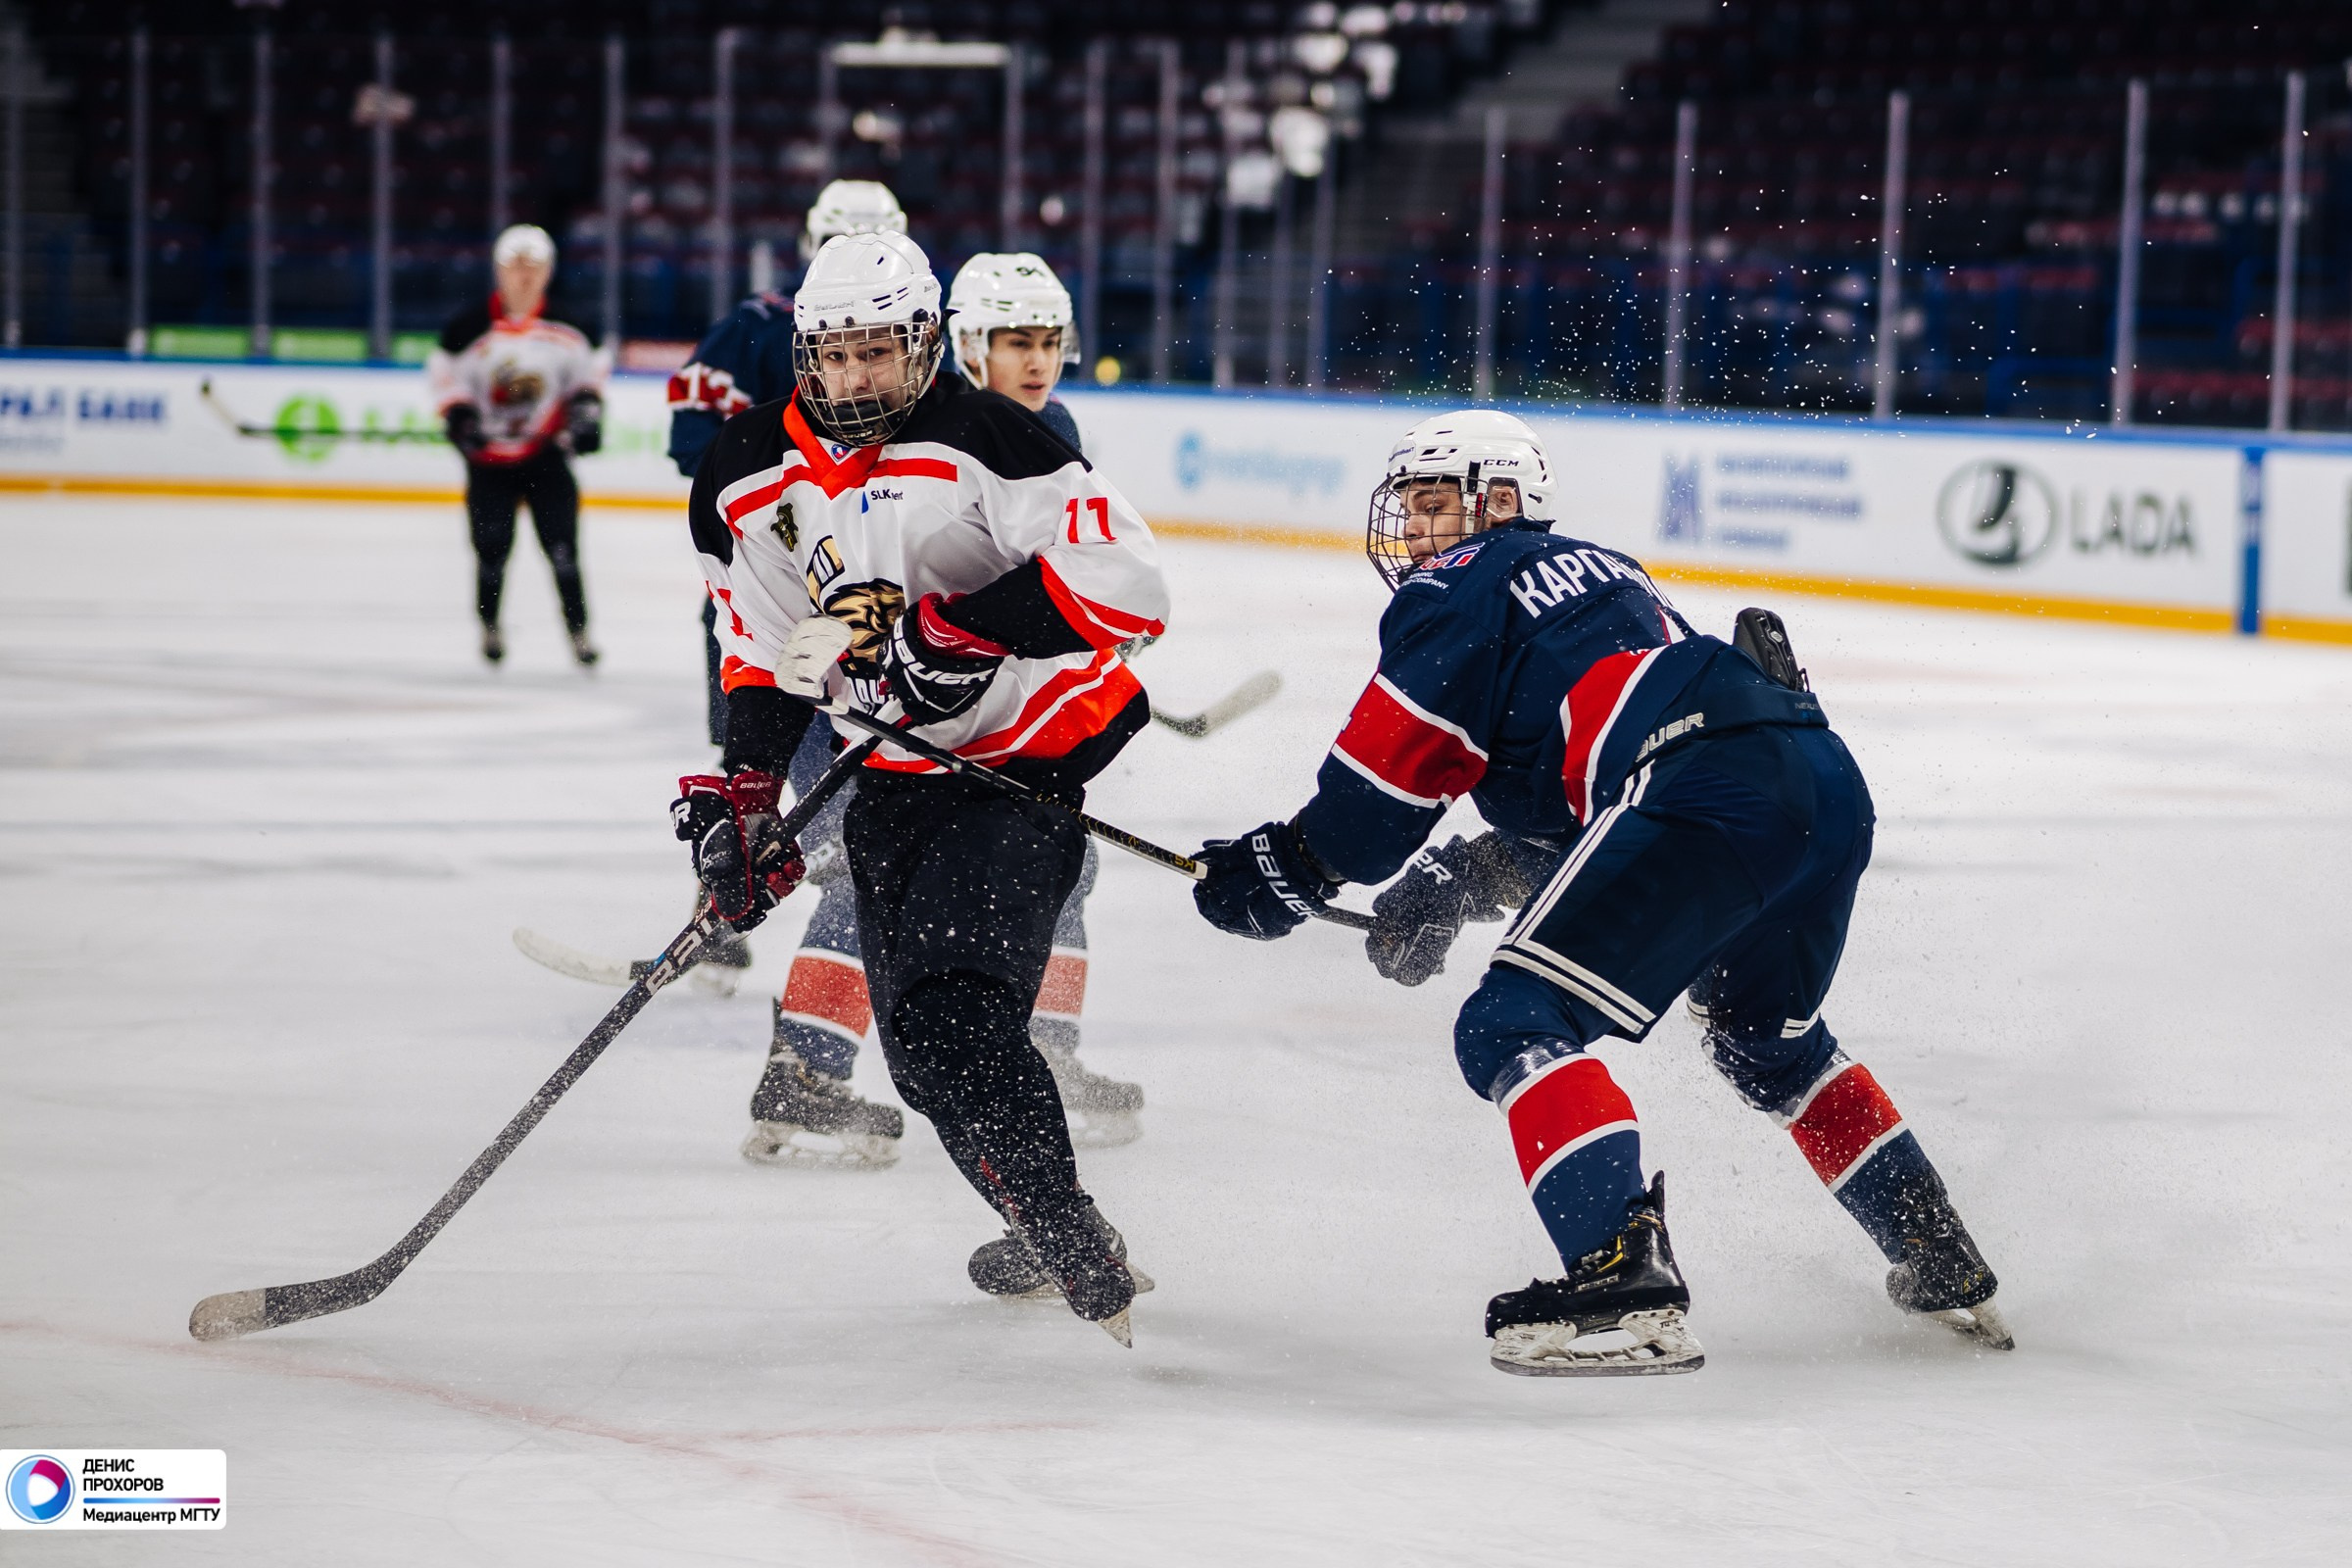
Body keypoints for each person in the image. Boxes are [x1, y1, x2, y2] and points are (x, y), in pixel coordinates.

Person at [1188, 410, 2009, 1376]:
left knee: (1508, 1020)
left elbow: (1372, 808)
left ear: (1495, 500)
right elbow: (1594, 808)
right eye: (1406, 508)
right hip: (1819, 779)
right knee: (1767, 1045)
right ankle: (1937, 1252)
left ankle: (1623, 1275)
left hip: (1705, 787)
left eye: (1429, 503)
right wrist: (1456, 880)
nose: (1411, 531)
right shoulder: (1608, 575)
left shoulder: (1462, 583)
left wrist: (1283, 871)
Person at [678, 229, 1168, 1343]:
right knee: (918, 1055)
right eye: (835, 355)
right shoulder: (744, 473)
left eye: (879, 355)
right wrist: (750, 797)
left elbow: (1131, 587)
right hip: (893, 772)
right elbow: (762, 649)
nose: (856, 380)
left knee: (954, 1018)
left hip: (1020, 768)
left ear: (924, 343)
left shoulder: (996, 440)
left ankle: (1064, 1226)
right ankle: (1050, 1220)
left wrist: (958, 626)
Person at [656, 181, 908, 1006]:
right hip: (764, 607)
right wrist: (782, 511)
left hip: (861, 627)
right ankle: (721, 915)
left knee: (839, 809)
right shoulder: (762, 326)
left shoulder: (910, 353)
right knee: (762, 775)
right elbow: (696, 440)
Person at [426, 222, 607, 667]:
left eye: (534, 265)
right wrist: (461, 417)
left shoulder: (572, 327)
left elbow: (588, 382)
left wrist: (585, 418)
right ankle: (490, 627)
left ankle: (579, 632)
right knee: (491, 550)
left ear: (548, 271)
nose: (524, 275)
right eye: (515, 265)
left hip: (546, 457)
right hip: (489, 462)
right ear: (499, 269)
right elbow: (445, 381)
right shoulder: (465, 330)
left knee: (563, 550)